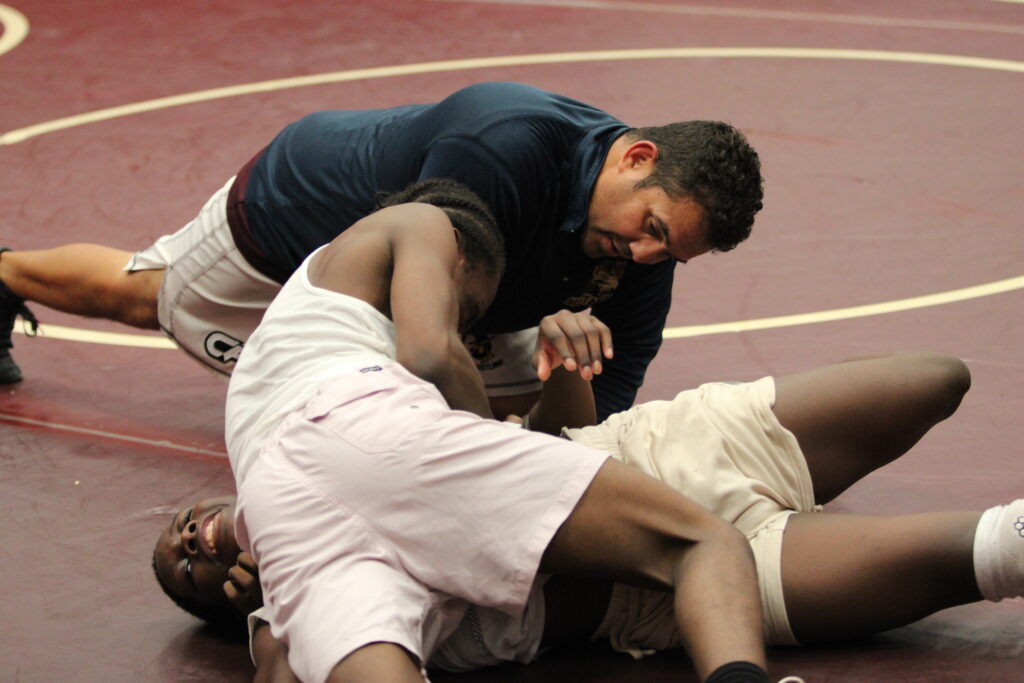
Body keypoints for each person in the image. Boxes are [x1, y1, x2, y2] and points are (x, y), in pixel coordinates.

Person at [193, 175, 768, 683]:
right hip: (357, 424)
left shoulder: (303, 325)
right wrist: (497, 440)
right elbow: (432, 351)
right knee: (701, 541)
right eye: (469, 312)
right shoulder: (426, 223)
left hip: (276, 507)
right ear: (462, 262)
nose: (465, 329)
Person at [153, 351, 1024, 679]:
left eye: (183, 528)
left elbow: (542, 431)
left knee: (940, 377)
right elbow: (284, 663)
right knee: (989, 548)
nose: (197, 542)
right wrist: (264, 611)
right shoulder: (313, 613)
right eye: (190, 568)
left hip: (655, 452)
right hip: (647, 592)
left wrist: (562, 363)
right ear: (225, 604)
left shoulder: (321, 449)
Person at [0, 81, 763, 420]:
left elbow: (609, 406)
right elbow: (418, 343)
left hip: (465, 276)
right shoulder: (506, 147)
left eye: (669, 255)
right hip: (300, 208)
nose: (642, 255)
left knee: (549, 375)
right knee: (142, 296)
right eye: (652, 229)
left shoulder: (637, 251)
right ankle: (5, 272)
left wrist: (563, 398)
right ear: (635, 158)